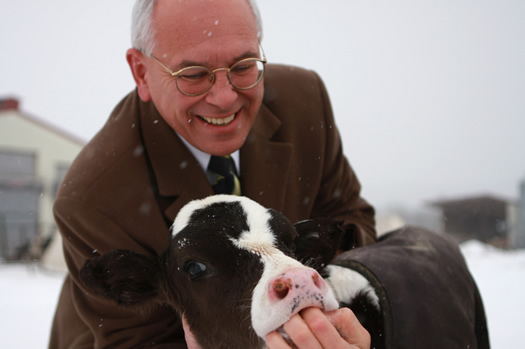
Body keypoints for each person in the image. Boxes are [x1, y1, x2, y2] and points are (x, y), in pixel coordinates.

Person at [48, 0, 376, 348]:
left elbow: (351, 222)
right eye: (192, 74)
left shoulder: (305, 103)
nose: (224, 97)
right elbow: (139, 342)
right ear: (142, 73)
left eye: (243, 65)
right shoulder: (92, 199)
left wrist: (312, 297)